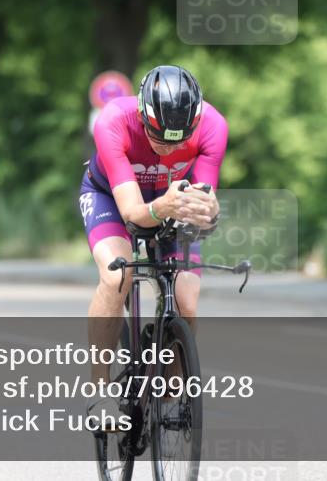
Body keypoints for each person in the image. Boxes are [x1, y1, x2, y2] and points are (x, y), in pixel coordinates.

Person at [79, 65, 226, 410]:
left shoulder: (214, 126)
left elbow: (204, 206)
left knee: (187, 295)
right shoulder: (113, 121)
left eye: (178, 141)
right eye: (158, 138)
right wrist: (163, 206)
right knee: (118, 275)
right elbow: (132, 213)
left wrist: (208, 212)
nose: (166, 148)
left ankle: (172, 392)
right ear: (143, 117)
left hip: (173, 199)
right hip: (111, 199)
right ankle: (99, 394)